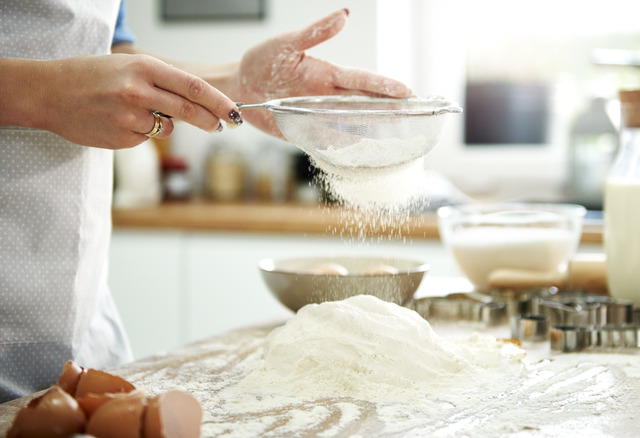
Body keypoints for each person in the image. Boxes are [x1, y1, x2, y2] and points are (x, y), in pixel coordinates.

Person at [0, 1, 411, 402]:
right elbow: (68, 73)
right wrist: (46, 94)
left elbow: (103, 50)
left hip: (76, 308)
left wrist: (234, 81)